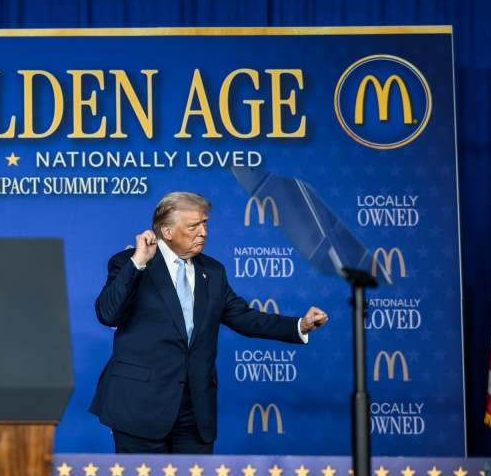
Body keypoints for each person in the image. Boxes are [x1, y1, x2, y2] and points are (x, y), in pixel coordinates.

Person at [89, 191, 328, 454]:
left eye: (204, 224)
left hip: (195, 411)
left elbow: (244, 316)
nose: (203, 232)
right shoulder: (128, 263)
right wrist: (138, 262)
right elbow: (107, 314)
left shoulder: (213, 271)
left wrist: (300, 326)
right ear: (166, 231)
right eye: (193, 226)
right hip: (140, 406)